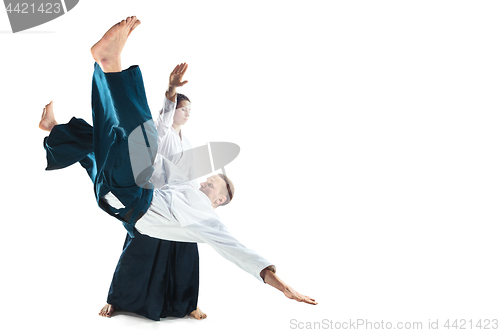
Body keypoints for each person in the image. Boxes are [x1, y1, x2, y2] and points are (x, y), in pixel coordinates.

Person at [40, 16, 317, 307]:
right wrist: (169, 95)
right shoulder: (183, 184)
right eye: (208, 179)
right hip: (120, 193)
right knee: (114, 139)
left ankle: (110, 63)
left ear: (220, 200)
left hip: (133, 202)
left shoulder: (208, 220)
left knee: (140, 138)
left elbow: (239, 251)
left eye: (211, 185)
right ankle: (53, 128)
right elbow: (156, 154)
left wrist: (283, 286)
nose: (205, 181)